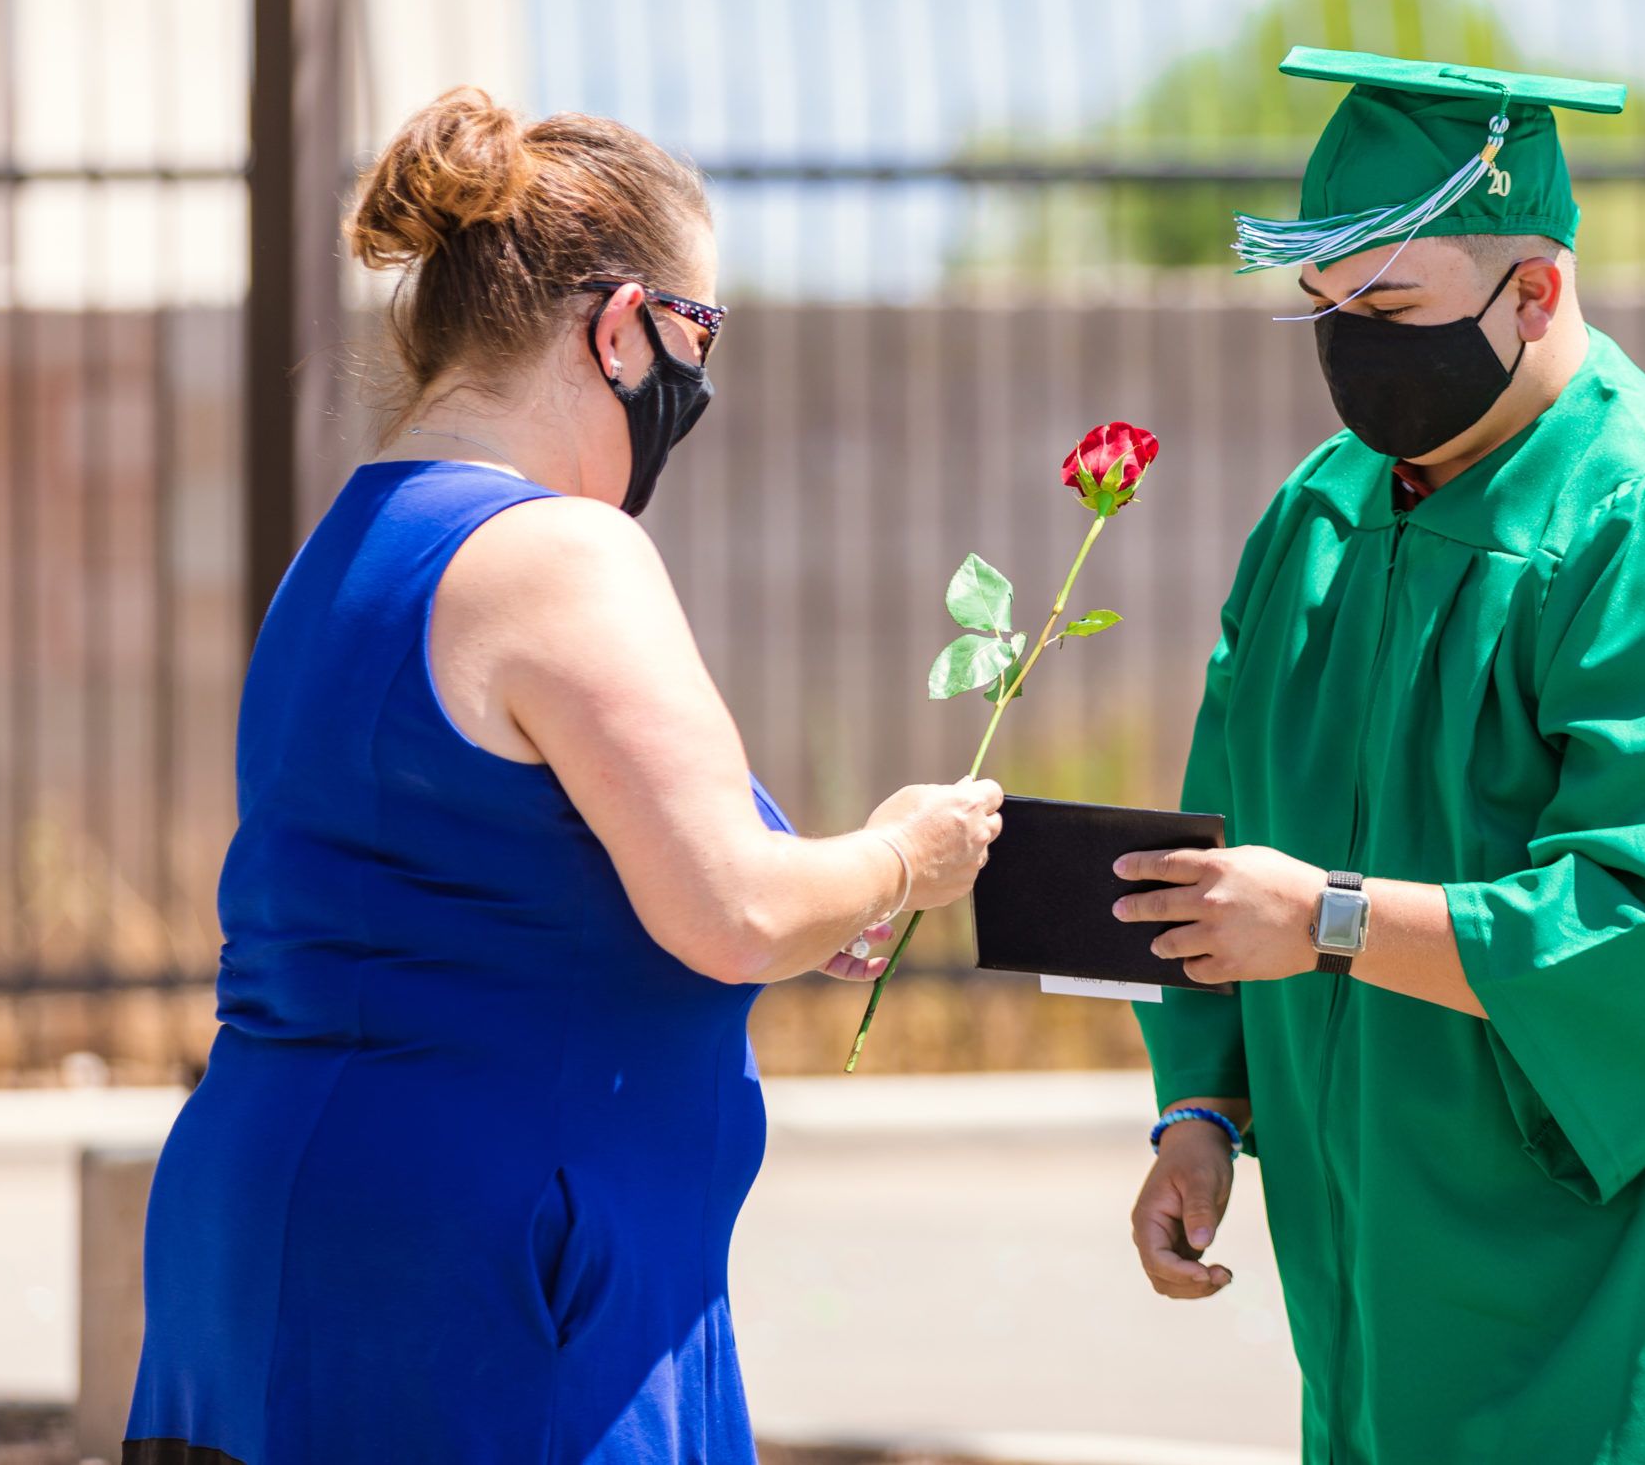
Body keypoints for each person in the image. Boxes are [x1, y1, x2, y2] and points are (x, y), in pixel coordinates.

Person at [124, 87, 1002, 1465]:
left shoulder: (346, 547)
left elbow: (487, 883)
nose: (700, 378)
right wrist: (905, 853)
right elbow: (734, 912)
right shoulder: (563, 555)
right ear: (620, 327)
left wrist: (822, 898)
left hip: (274, 1240)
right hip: (485, 1273)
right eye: (700, 330)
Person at [1115, 49, 1645, 1465]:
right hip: (1373, 1279)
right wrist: (1202, 1106)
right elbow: (1223, 841)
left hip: (1621, 1291)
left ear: (1535, 291)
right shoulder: (1321, 525)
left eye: (1392, 306)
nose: (1355, 348)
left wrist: (1329, 921)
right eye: (1326, 311)